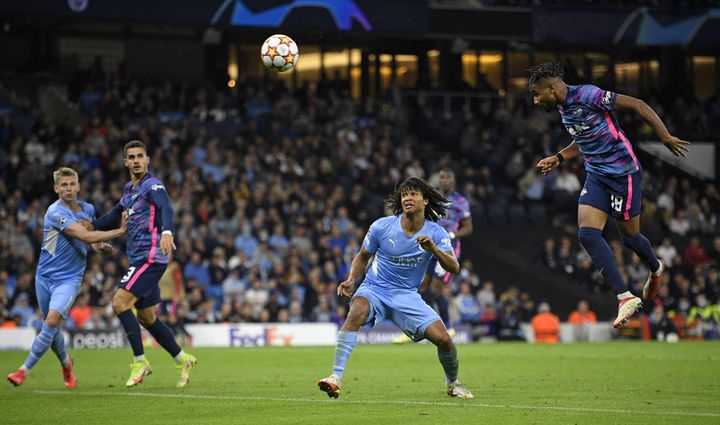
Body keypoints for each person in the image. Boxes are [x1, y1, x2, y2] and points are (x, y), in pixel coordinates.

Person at [529, 62, 690, 328]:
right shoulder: (562, 107)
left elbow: (637, 104)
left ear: (552, 87)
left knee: (630, 238)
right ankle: (624, 297)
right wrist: (559, 157)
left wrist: (664, 136)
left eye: (537, 93)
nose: (535, 100)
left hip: (623, 174)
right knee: (587, 234)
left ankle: (655, 266)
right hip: (596, 175)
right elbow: (583, 138)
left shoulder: (589, 95)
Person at [317, 177, 473, 399]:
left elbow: (454, 267)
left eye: (413, 194)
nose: (407, 198)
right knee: (356, 311)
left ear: (426, 200)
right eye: (404, 195)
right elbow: (362, 256)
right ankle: (335, 377)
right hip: (375, 289)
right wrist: (352, 279)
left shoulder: (436, 233)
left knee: (444, 340)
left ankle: (453, 384)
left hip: (407, 296)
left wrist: (434, 249)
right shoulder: (382, 226)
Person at [7, 167, 126, 388]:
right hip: (43, 277)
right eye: (64, 185)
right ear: (56, 188)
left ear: (79, 186)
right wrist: (119, 231)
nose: (68, 188)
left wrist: (102, 249)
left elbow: (93, 243)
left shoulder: (88, 209)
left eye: (72, 184)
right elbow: (85, 235)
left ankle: (23, 371)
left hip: (69, 279)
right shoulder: (55, 212)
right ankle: (66, 364)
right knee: (50, 328)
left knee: (51, 321)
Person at [93, 140, 196, 388]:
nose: (137, 160)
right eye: (132, 157)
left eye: (141, 156)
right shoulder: (129, 190)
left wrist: (168, 232)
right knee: (148, 317)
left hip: (150, 257)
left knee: (119, 302)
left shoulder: (153, 185)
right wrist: (90, 229)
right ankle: (182, 358)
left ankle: (140, 361)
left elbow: (166, 206)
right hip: (138, 258)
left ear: (147, 159)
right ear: (125, 162)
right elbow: (113, 214)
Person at [421, 169, 472, 330]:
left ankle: (447, 327)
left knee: (436, 290)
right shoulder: (432, 198)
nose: (444, 180)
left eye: (448, 177)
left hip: (448, 249)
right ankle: (425, 324)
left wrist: (453, 233)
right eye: (442, 177)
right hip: (430, 246)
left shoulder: (460, 201)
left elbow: (468, 227)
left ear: (453, 181)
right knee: (421, 287)